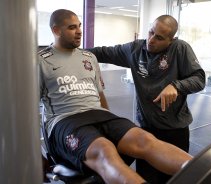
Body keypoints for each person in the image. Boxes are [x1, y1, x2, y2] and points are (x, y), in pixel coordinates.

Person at [38, 9, 193, 184]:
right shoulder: (40, 61)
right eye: (72, 27)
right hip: (66, 119)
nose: (80, 31)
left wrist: (110, 121)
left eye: (79, 26)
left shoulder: (88, 57)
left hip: (100, 114)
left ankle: (208, 171)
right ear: (56, 30)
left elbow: (99, 94)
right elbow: (24, 112)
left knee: (145, 139)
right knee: (105, 149)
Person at [87, 15, 206, 183]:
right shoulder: (135, 49)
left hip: (174, 130)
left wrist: (176, 86)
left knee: (175, 179)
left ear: (171, 40)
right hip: (145, 128)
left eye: (159, 38)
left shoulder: (180, 48)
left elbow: (199, 79)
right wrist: (68, 51)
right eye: (151, 32)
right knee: (146, 177)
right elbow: (102, 52)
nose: (151, 40)